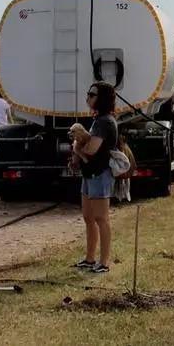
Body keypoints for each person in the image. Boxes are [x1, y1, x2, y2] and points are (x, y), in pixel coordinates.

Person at [70, 82, 118, 273]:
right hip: (89, 174)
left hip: (100, 174)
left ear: (103, 98)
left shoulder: (104, 122)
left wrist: (77, 149)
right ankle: (90, 259)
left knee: (101, 218)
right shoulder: (98, 120)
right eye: (88, 93)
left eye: (92, 94)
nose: (88, 97)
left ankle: (104, 262)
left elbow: (91, 150)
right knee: (88, 217)